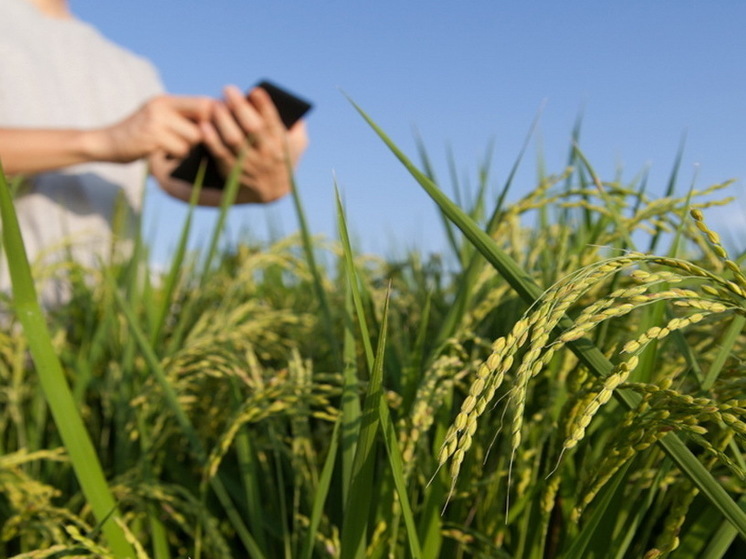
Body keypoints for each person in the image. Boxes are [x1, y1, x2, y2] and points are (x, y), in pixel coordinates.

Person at [0, 0, 309, 305]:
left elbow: (172, 178)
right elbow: (115, 142)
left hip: (103, 323)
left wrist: (258, 183)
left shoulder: (131, 68)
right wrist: (101, 142)